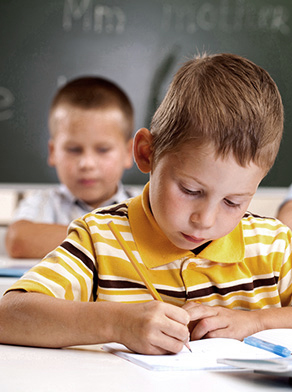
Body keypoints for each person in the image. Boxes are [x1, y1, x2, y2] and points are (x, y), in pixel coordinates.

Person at [0, 53, 290, 356]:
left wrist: (257, 322)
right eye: (190, 190)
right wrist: (116, 324)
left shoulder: (273, 247)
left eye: (233, 201)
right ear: (145, 153)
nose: (205, 219)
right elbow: (8, 315)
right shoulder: (101, 240)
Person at [5, 76, 139, 259]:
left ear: (127, 152)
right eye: (74, 150)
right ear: (53, 152)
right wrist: (113, 241)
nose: (87, 163)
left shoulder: (142, 206)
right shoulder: (45, 203)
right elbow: (18, 241)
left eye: (103, 150)